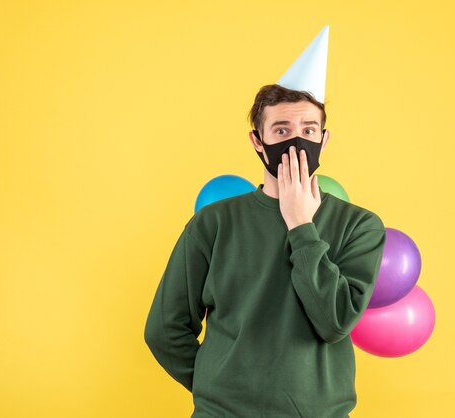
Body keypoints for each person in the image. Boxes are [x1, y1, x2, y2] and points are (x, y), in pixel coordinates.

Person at [144, 83, 387, 417]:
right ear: (258, 141)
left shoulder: (359, 226)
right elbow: (164, 328)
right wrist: (215, 387)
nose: (296, 141)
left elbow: (334, 322)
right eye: (281, 130)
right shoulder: (213, 223)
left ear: (324, 139)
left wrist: (301, 225)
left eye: (308, 129)